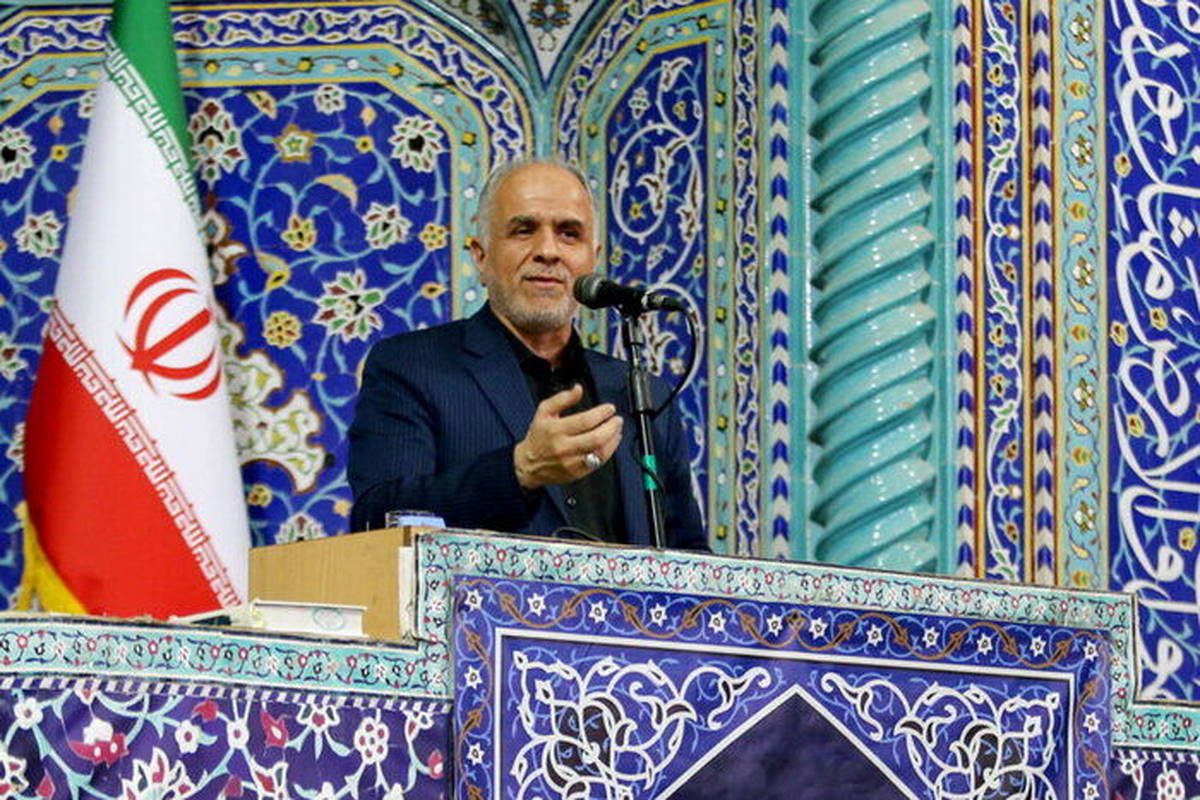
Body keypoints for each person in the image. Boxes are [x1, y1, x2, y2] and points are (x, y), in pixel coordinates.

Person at [348, 159, 706, 549]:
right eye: (524, 230)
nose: (548, 251)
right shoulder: (412, 367)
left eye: (569, 234)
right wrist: (520, 469)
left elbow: (688, 553)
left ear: (592, 257)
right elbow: (378, 519)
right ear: (481, 256)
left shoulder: (643, 394)